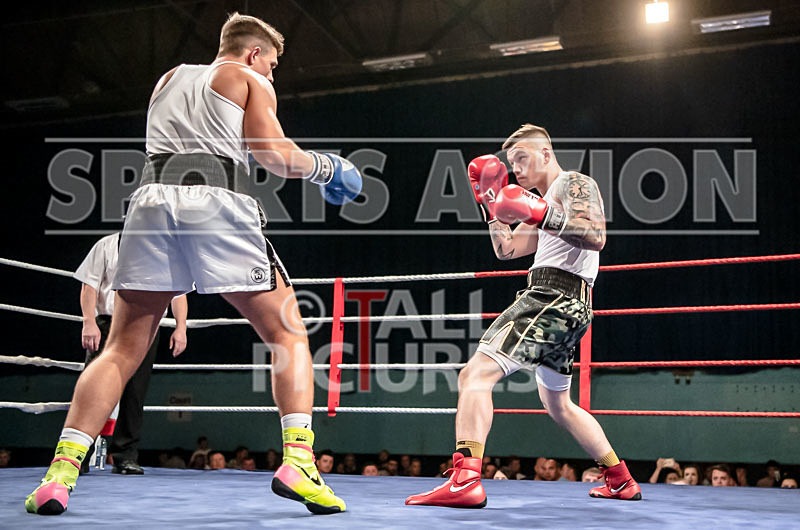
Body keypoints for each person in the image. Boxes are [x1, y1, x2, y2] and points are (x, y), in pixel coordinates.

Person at [25, 12, 360, 516]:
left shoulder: (169, 78)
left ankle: (59, 475)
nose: (272, 75)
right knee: (288, 332)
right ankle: (300, 463)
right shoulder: (247, 78)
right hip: (217, 200)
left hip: (149, 204)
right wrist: (327, 167)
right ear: (253, 54)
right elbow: (272, 154)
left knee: (120, 349)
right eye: (272, 64)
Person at [406, 124, 641, 508]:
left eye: (521, 157)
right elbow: (506, 249)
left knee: (475, 374)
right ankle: (620, 479)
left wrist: (541, 210)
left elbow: (596, 234)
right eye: (510, 161)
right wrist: (490, 204)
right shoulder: (541, 203)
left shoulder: (572, 183)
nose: (514, 167)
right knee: (559, 405)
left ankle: (466, 478)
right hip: (573, 307)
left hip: (552, 295)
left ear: (546, 153)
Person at [75, 233, 188, 475]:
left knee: (135, 392)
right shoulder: (106, 245)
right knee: (94, 389)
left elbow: (178, 294)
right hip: (108, 323)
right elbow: (89, 285)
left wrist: (181, 327)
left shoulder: (166, 250)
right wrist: (88, 322)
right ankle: (79, 453)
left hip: (147, 326)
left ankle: (125, 456)